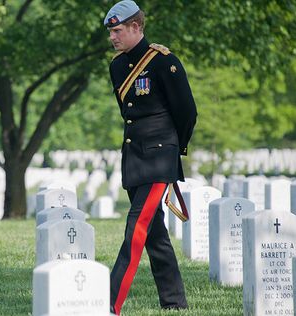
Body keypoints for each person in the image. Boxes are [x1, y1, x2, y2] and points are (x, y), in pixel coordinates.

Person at [103, 1, 197, 314]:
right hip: (134, 157)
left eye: (117, 30)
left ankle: (108, 304)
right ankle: (174, 302)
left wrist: (173, 151)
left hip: (159, 158)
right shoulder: (117, 66)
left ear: (136, 27)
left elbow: (186, 111)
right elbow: (127, 114)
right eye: (111, 32)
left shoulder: (163, 62)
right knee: (155, 235)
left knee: (136, 228)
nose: (113, 37)